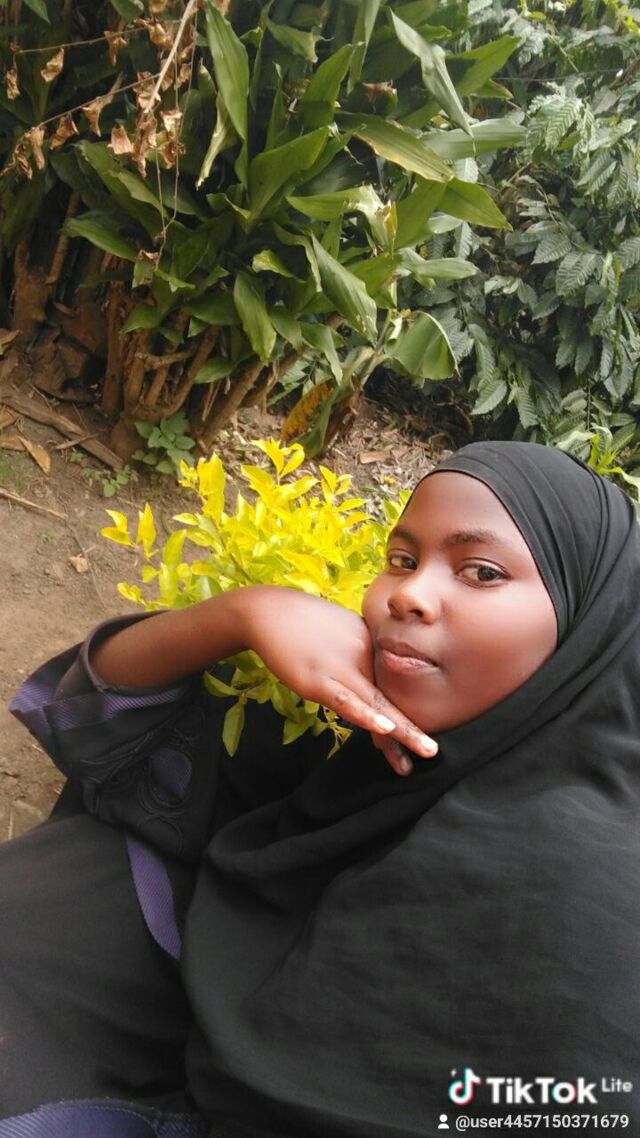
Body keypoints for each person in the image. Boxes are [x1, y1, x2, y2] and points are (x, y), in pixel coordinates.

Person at [2, 440, 638, 1137]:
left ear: (587, 624)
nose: (408, 595)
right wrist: (244, 615)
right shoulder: (363, 739)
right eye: (402, 560)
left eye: (481, 572)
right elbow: (100, 724)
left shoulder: (574, 903)